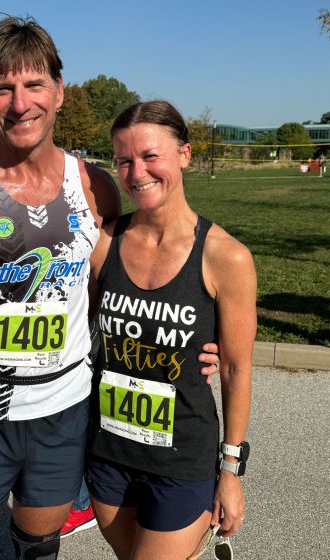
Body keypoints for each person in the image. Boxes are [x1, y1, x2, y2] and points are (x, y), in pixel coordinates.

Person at [0, 17, 219, 560]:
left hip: (63, 408)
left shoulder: (95, 186)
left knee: (38, 546)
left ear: (58, 92)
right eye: (3, 88)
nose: (20, 103)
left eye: (34, 85)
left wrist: (203, 337)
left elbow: (132, 282)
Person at [86, 100, 257, 560]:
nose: (136, 172)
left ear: (184, 154)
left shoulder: (226, 257)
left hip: (182, 461)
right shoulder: (104, 242)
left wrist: (231, 472)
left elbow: (237, 370)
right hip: (108, 454)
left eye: (150, 156)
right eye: (123, 160)